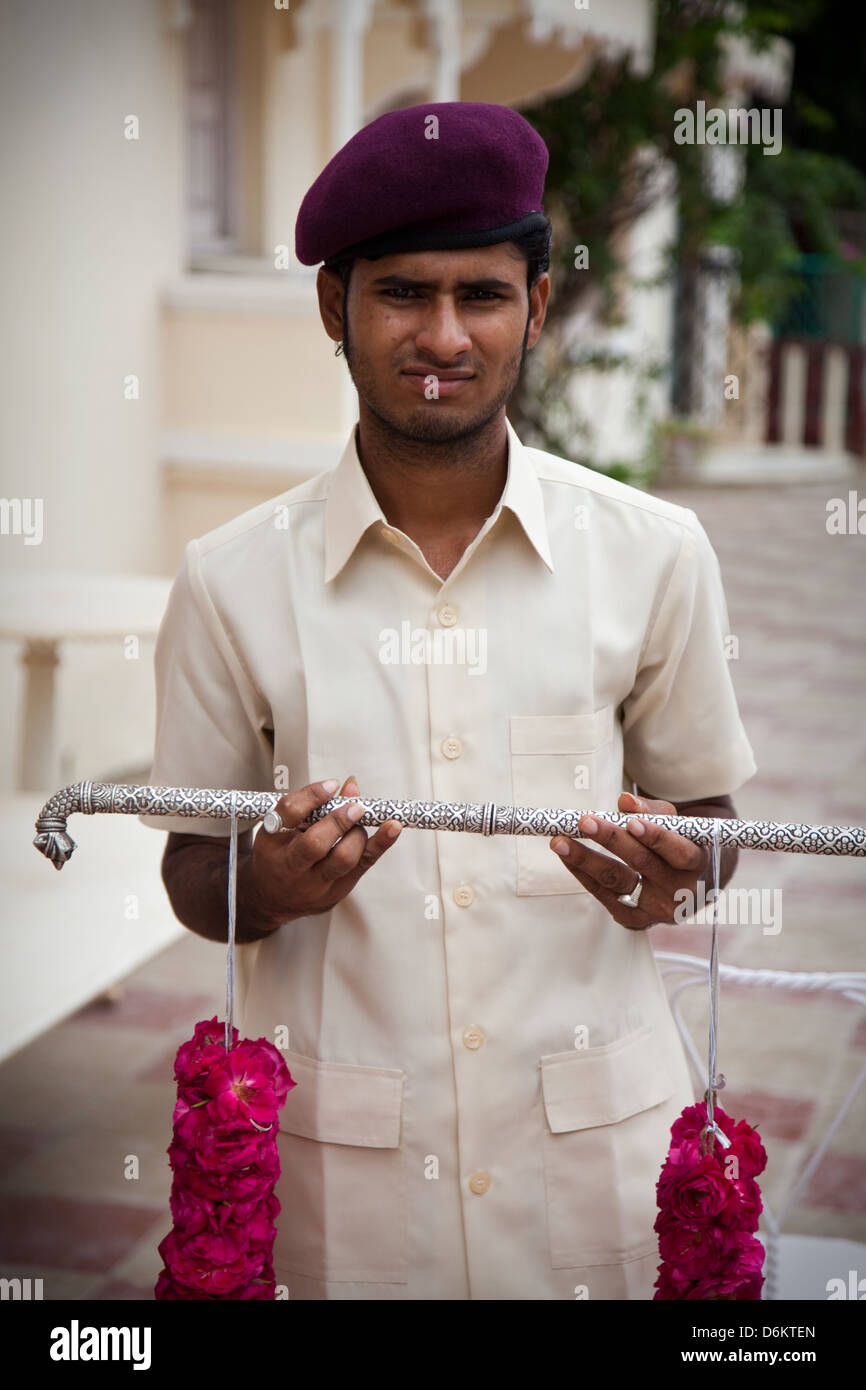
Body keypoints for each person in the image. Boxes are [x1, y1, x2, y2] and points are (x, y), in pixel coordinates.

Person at [139, 101, 756, 1300]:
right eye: (400, 293)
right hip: (350, 1182)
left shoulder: (653, 551)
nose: (441, 335)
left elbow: (712, 823)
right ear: (335, 309)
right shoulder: (228, 580)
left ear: (534, 304)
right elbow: (190, 867)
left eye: (479, 293)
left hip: (597, 1164)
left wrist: (673, 871)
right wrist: (258, 888)